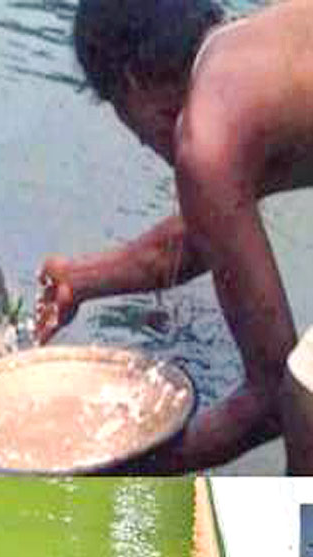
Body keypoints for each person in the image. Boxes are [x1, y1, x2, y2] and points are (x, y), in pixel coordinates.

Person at [35, 0, 313, 472]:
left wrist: (114, 474)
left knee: (304, 402)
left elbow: (267, 402)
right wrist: (81, 281)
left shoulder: (207, 136)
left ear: (132, 84)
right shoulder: (250, 55)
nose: (141, 139)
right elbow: (210, 231)